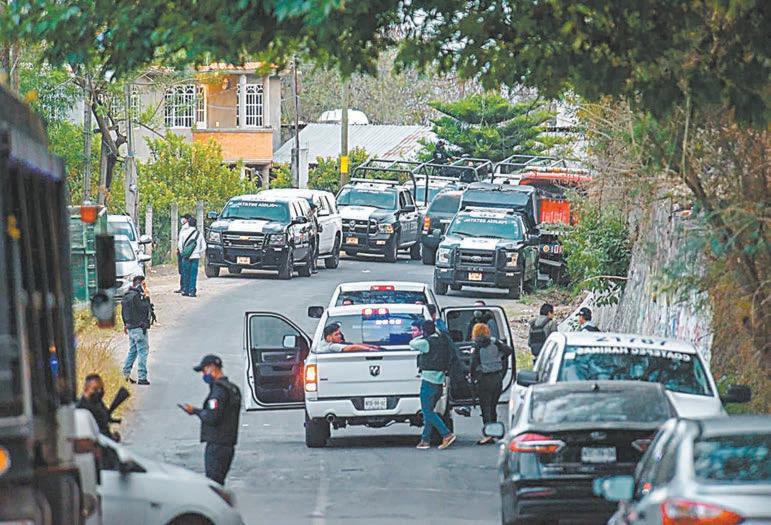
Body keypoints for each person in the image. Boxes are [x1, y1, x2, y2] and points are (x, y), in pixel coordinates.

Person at [182, 355, 242, 485]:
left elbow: (212, 417)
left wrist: (195, 411)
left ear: (212, 368)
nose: (203, 374)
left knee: (213, 484)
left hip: (217, 444)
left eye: (204, 370)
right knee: (219, 482)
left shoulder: (219, 391)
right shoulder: (232, 389)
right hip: (228, 443)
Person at [410, 320, 457, 450]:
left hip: (428, 382)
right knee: (428, 412)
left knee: (427, 412)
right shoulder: (442, 342)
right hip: (438, 382)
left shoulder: (426, 343)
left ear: (423, 331)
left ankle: (446, 434)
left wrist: (420, 336)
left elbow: (412, 344)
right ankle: (425, 440)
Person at [470, 323, 513, 444]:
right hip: (497, 378)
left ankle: (488, 434)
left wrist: (472, 377)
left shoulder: (477, 346)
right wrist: (500, 358)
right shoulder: (495, 342)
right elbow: (509, 350)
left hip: (484, 379)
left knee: (485, 407)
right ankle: (494, 432)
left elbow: (473, 363)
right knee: (493, 406)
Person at [121, 275, 151, 385]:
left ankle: (125, 374)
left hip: (130, 328)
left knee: (132, 351)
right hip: (139, 328)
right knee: (143, 351)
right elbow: (144, 309)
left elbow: (122, 312)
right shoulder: (137, 296)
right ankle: (142, 377)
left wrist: (125, 325)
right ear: (140, 284)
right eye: (144, 284)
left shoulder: (127, 295)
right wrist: (147, 297)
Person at [76, 374, 119, 440]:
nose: (99, 391)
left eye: (101, 388)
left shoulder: (97, 402)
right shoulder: (83, 408)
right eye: (95, 389)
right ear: (86, 388)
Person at [179, 217, 203, 297]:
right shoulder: (199, 234)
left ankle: (185, 290)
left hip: (186, 257)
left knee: (185, 273)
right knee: (193, 275)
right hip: (195, 257)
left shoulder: (183, 233)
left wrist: (184, 252)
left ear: (188, 224)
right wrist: (198, 252)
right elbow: (204, 246)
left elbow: (180, 245)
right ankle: (192, 291)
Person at [175, 214, 192, 293]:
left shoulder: (186, 228)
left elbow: (182, 241)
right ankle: (183, 287)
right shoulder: (184, 227)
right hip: (182, 250)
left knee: (183, 270)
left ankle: (184, 287)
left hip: (184, 251)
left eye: (184, 218)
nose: (182, 220)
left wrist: (180, 250)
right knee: (182, 270)